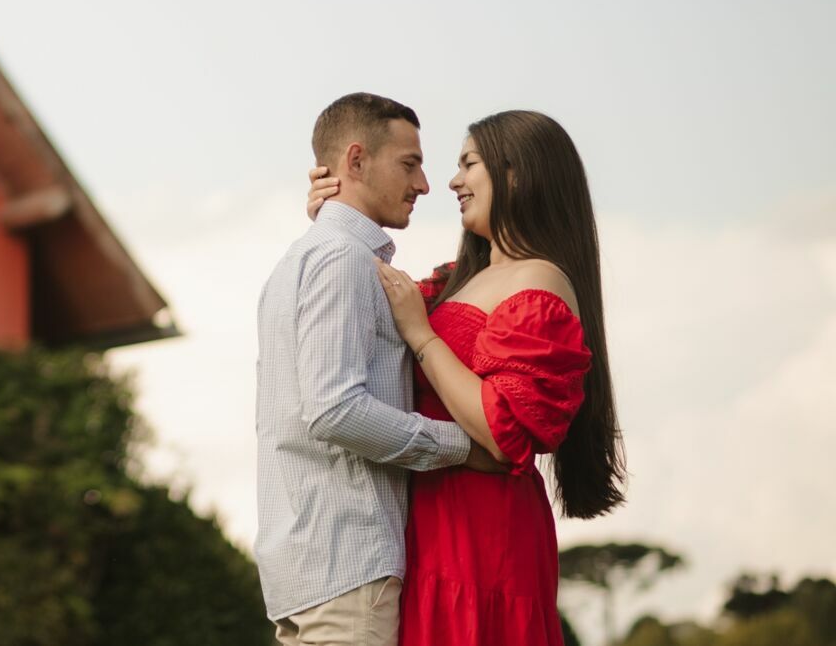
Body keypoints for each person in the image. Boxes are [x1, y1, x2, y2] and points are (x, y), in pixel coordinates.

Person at [307, 108, 627, 646]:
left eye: (468, 163)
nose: (452, 182)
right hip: (432, 523)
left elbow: (507, 432)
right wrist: (337, 214)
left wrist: (424, 337)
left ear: (518, 172)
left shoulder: (540, 282)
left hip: (482, 535)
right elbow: (367, 304)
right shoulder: (463, 280)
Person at [256, 92, 503, 645]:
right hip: (349, 566)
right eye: (409, 164)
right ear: (356, 161)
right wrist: (464, 446)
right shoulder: (341, 260)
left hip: (309, 569)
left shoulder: (310, 256)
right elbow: (334, 409)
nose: (423, 185)